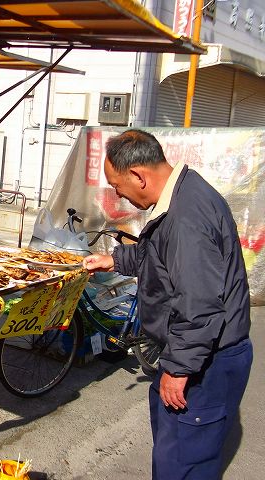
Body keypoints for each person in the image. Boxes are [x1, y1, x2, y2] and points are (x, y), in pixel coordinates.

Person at [82, 129, 252, 480]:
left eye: (117, 186)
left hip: (207, 360)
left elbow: (200, 306)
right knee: (172, 450)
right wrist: (115, 260)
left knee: (184, 464)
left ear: (138, 176)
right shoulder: (181, 194)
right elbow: (160, 257)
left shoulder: (187, 218)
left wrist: (177, 370)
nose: (118, 195)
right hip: (196, 352)